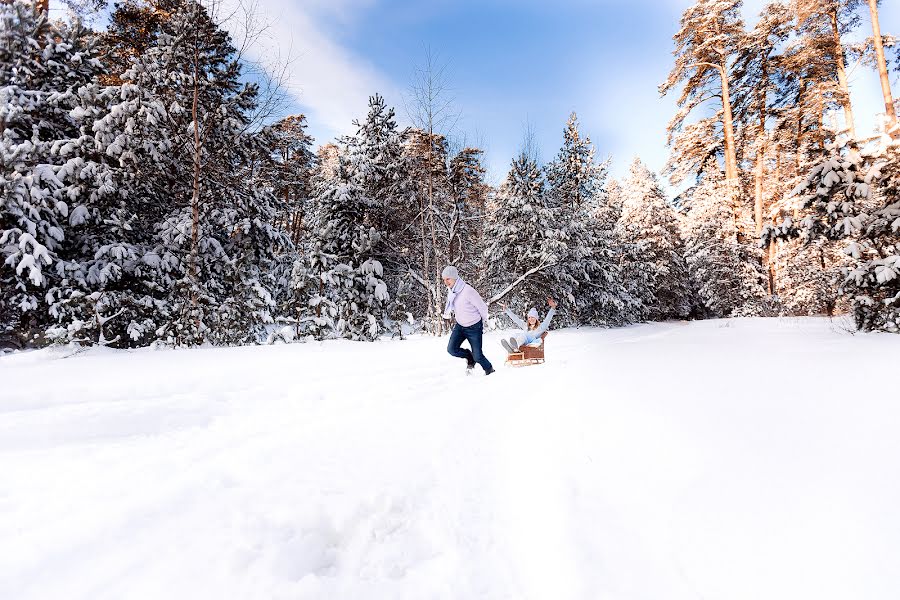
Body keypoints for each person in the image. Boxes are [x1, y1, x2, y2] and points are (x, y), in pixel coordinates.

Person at [442, 265, 495, 375]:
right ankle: (469, 357)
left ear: (455, 278)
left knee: (478, 356)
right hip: (460, 326)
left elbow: (482, 307)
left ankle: (489, 369)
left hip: (474, 327)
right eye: (444, 279)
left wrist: (484, 321)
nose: (446, 282)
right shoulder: (452, 291)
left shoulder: (468, 291)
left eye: (448, 279)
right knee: (451, 349)